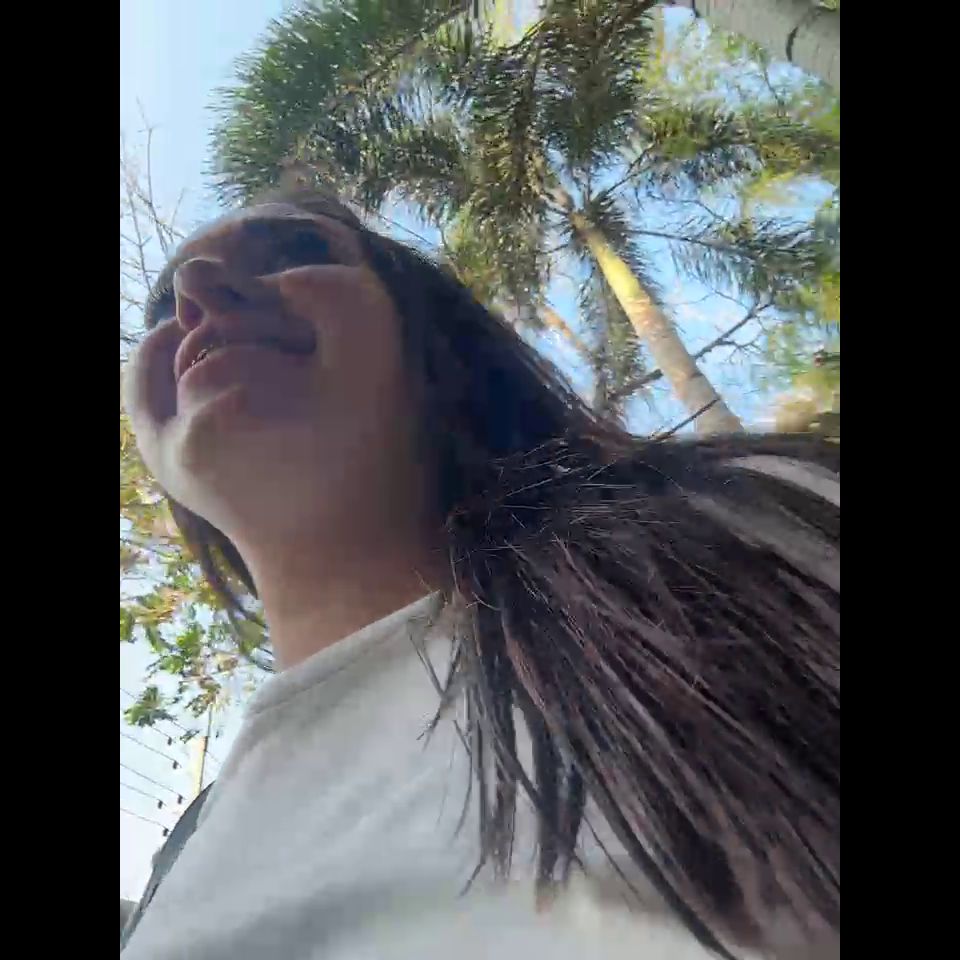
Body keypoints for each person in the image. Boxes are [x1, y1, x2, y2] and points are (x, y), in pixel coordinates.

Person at [121, 189, 840, 960]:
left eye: (294, 252)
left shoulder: (748, 529)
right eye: (162, 311)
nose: (194, 291)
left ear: (433, 337)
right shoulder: (184, 861)